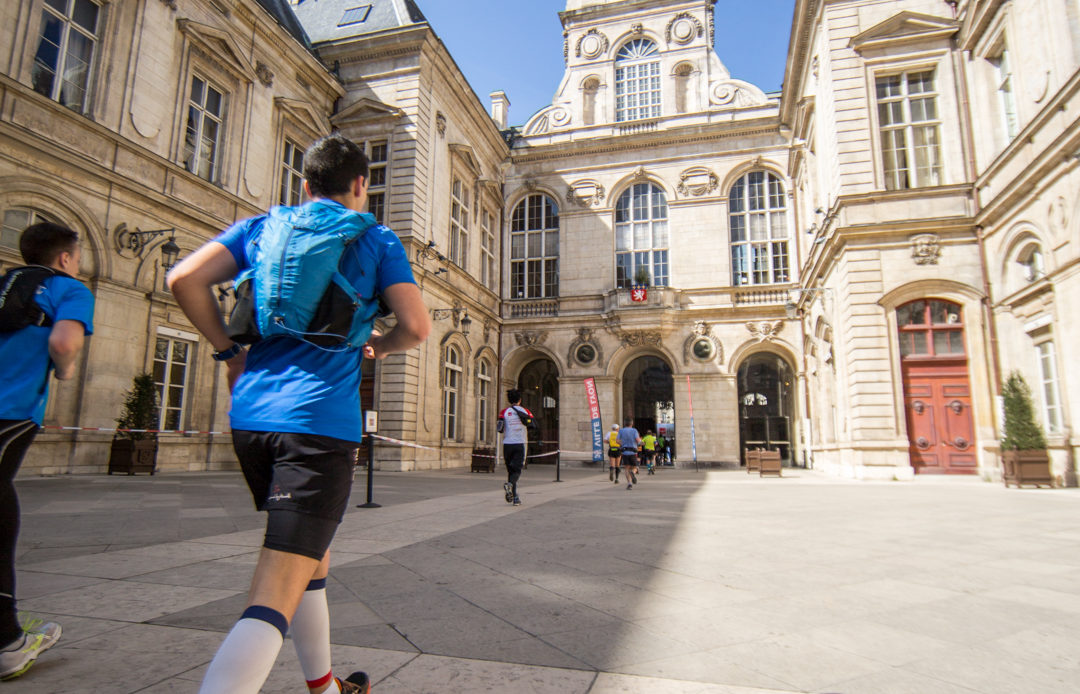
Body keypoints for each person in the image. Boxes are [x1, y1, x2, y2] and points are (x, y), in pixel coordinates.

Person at [167, 133, 430, 694]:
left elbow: (183, 279)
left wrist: (228, 350)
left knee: (309, 561)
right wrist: (377, 348)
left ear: (305, 185)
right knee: (271, 595)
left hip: (253, 422)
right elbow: (416, 327)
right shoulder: (377, 238)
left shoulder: (264, 227)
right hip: (317, 430)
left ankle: (326, 688)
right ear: (362, 186)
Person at [0, 222, 94, 680]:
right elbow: (63, 342)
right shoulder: (67, 289)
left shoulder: (5, 284)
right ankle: (6, 642)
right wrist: (66, 369)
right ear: (64, 258)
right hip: (10, 408)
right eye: (77, 257)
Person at [498, 389, 533, 506]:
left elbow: (500, 429)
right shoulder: (525, 411)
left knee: (510, 471)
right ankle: (511, 486)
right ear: (520, 399)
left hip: (507, 444)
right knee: (517, 470)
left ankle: (514, 497)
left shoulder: (504, 412)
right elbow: (532, 424)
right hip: (520, 443)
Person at [617, 417, 641, 490]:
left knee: (626, 468)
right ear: (632, 423)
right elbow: (638, 440)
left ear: (624, 423)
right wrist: (641, 443)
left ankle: (629, 484)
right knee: (635, 466)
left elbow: (617, 441)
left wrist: (623, 443)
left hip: (625, 452)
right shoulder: (634, 431)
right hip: (633, 452)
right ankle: (633, 472)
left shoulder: (621, 431)